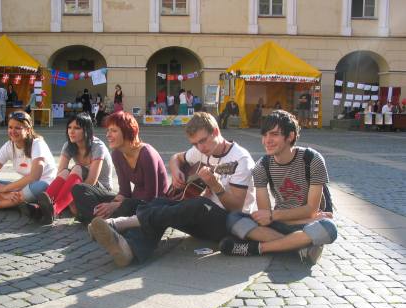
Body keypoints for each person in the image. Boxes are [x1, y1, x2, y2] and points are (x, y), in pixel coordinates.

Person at [88, 112, 256, 267]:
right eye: (195, 144)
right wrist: (176, 172)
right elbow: (176, 158)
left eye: (203, 141)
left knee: (197, 204)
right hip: (201, 219)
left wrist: (216, 186)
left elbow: (236, 209)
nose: (200, 148)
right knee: (159, 203)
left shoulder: (240, 159)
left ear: (216, 131)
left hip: (228, 225)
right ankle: (129, 249)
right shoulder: (202, 150)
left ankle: (119, 224)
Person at [220, 110, 337, 266]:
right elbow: (264, 216)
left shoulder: (312, 159)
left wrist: (276, 216)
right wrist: (275, 217)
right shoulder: (262, 166)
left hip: (305, 225)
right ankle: (300, 245)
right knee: (234, 219)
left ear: (290, 136)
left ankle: (258, 248)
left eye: (274, 134)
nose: (267, 140)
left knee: (328, 228)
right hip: (282, 224)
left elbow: (310, 208)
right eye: (265, 135)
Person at [72, 111, 168, 224]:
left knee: (127, 205)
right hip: (130, 200)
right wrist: (113, 204)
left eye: (114, 131)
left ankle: (97, 219)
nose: (108, 135)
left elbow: (151, 198)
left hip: (151, 207)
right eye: (108, 130)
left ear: (127, 132)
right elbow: (124, 191)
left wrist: (116, 205)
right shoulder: (117, 154)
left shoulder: (147, 154)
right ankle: (104, 221)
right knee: (79, 189)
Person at [33, 113, 114, 224]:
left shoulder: (97, 146)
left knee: (76, 168)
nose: (71, 131)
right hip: (81, 186)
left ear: (87, 130)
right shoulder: (68, 145)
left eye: (77, 128)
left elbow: (91, 181)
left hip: (101, 190)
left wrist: (72, 197)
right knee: (65, 172)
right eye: (69, 127)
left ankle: (55, 210)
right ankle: (40, 208)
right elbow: (60, 173)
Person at [0, 111, 57, 211]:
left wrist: (4, 189)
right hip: (24, 189)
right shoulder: (8, 146)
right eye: (10, 127)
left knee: (40, 186)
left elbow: (35, 177)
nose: (12, 131)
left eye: (17, 128)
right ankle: (16, 201)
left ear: (28, 130)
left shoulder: (38, 144)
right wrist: (6, 194)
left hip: (43, 186)